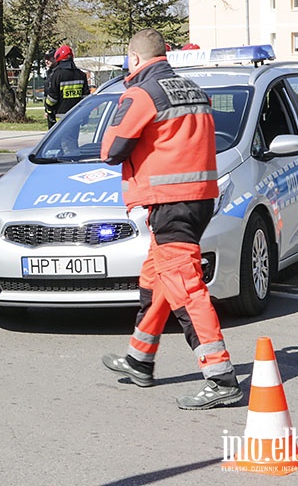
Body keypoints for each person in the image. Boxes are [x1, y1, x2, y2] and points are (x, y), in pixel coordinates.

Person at [99, 28, 242, 410]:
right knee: (157, 277)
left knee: (185, 287)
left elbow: (111, 149)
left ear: (134, 58)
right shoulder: (193, 89)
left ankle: (220, 376)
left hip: (169, 203)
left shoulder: (141, 93)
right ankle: (138, 360)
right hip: (198, 199)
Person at [44, 45, 89, 129]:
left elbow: (52, 99)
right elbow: (86, 98)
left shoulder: (57, 75)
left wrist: (48, 109)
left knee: (58, 141)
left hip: (61, 119)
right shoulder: (81, 74)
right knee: (73, 140)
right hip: (76, 117)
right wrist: (85, 115)